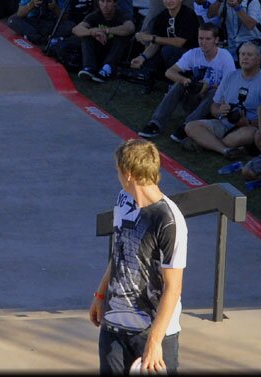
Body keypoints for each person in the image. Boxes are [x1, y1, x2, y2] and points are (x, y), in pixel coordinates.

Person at [90, 138, 187, 374]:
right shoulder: (123, 200)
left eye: (119, 171)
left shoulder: (168, 220)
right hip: (114, 327)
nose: (118, 176)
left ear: (130, 174)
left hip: (153, 334)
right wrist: (101, 294)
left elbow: (173, 288)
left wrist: (154, 342)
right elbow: (120, 252)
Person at [137, 23, 236, 141]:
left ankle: (187, 127)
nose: (203, 42)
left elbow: (231, 86)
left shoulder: (225, 57)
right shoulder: (193, 53)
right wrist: (185, 81)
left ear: (216, 40)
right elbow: (169, 72)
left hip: (214, 105)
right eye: (201, 38)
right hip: (193, 98)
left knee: (214, 92)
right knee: (179, 83)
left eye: (208, 39)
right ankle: (155, 124)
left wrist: (208, 86)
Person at [183, 41, 261, 158]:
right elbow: (214, 106)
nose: (244, 58)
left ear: (259, 58)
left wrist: (249, 122)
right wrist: (220, 111)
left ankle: (204, 142)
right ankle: (225, 150)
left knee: (251, 134)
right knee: (191, 126)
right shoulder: (230, 76)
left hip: (248, 127)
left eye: (249, 55)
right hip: (224, 122)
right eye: (242, 54)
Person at [130, 0, 200, 81]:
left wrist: (152, 38)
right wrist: (142, 57)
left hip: (191, 55)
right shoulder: (161, 17)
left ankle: (180, 80)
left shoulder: (188, 14)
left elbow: (179, 42)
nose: (168, 1)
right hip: (169, 53)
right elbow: (155, 44)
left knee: (167, 50)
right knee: (150, 61)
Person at [73, 0, 136, 82]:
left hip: (115, 50)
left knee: (122, 36)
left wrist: (106, 30)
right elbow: (76, 29)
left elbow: (130, 28)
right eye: (102, 1)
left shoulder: (122, 14)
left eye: (108, 1)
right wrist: (92, 32)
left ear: (115, 2)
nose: (105, 5)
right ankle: (89, 68)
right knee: (86, 36)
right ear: (98, 2)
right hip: (100, 48)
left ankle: (107, 68)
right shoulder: (94, 15)